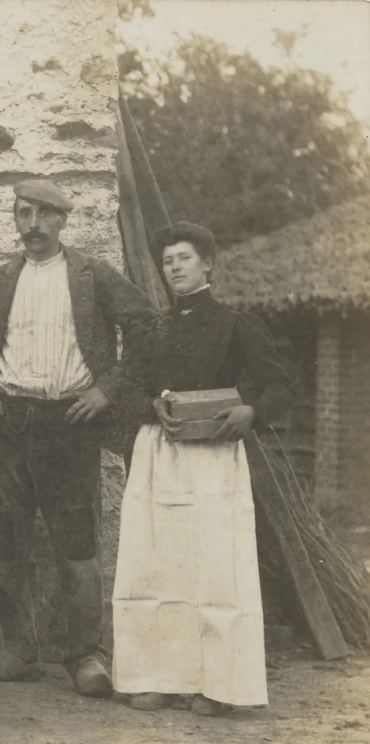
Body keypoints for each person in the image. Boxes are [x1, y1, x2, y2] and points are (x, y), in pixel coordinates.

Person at [0, 179, 155, 698]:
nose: (33, 224)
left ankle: (86, 655)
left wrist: (106, 391)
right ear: (15, 220)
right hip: (10, 426)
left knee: (77, 546)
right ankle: (18, 647)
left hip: (70, 426)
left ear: (63, 221)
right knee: (3, 543)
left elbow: (148, 329)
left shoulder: (93, 275)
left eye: (44, 214)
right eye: (23, 213)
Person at [112, 222, 295, 716]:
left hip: (214, 456)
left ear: (208, 263)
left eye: (185, 258)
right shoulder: (154, 328)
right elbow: (126, 389)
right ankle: (160, 678)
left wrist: (250, 413)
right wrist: (155, 406)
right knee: (159, 563)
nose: (174, 267)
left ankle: (216, 686)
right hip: (161, 454)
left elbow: (279, 385)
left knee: (214, 569)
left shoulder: (236, 325)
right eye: (168, 260)